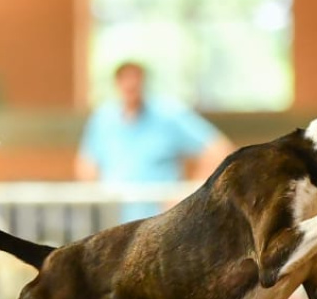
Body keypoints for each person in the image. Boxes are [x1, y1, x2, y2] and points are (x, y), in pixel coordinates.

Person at [77, 61, 232, 221]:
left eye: (135, 79)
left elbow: (219, 150)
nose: (131, 85)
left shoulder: (169, 115)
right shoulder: (102, 118)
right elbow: (87, 166)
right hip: (114, 222)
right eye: (125, 79)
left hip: (159, 221)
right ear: (117, 83)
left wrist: (191, 193)